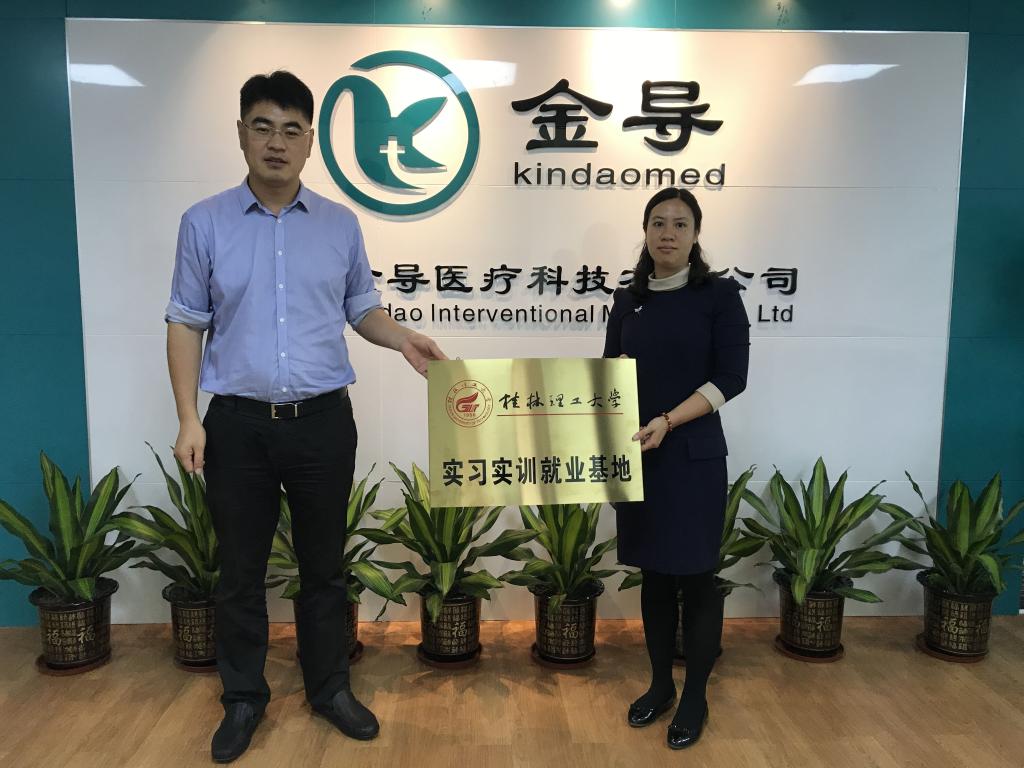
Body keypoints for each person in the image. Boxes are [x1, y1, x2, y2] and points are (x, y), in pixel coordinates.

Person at [164, 70, 446, 764]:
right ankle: (243, 699)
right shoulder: (204, 222)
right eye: (263, 127)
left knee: (324, 567)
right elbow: (185, 321)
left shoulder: (340, 224)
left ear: (310, 141)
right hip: (237, 425)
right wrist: (189, 418)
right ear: (241, 133)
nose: (277, 142)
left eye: (292, 130)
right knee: (240, 572)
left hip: (322, 423)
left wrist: (402, 338)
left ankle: (329, 689)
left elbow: (361, 308)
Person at [603, 187, 749, 750]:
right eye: (658, 222)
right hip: (639, 457)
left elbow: (731, 378)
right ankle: (661, 684)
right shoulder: (628, 299)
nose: (668, 233)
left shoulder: (720, 295)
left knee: (696, 576)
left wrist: (668, 420)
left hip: (692, 457)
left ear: (695, 235)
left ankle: (695, 697)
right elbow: (608, 375)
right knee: (655, 574)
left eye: (680, 224)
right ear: (645, 232)